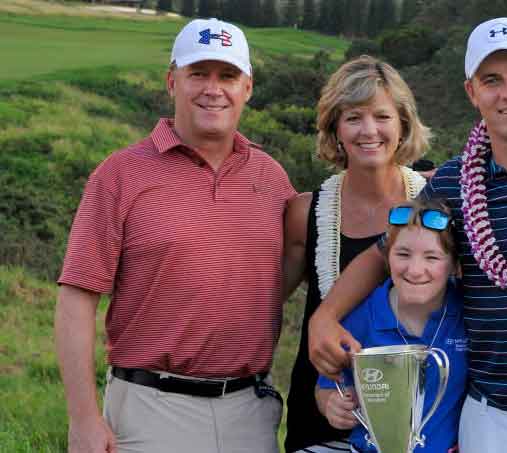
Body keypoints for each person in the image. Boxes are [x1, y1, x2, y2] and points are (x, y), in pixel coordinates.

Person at [307, 17, 507, 453]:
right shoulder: (453, 184)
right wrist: (324, 318)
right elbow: (384, 254)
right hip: (488, 419)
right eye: (492, 80)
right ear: (472, 92)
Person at [54, 18, 296, 453]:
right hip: (150, 411)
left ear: (248, 88)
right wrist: (83, 420)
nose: (213, 88)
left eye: (227, 76)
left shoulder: (271, 177)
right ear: (172, 81)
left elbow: (301, 256)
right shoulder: (121, 174)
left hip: (251, 414)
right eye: (198, 74)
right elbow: (76, 299)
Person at [283, 55, 430, 453]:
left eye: (382, 116)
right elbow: (261, 301)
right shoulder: (305, 214)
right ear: (335, 130)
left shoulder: (436, 203)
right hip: (323, 417)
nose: (369, 131)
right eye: (353, 117)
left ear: (403, 124)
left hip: (422, 420)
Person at [316, 200, 467, 453]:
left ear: (454, 265)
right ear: (387, 257)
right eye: (403, 254)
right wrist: (332, 405)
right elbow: (325, 387)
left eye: (432, 257)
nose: (415, 270)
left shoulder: (467, 311)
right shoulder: (362, 316)